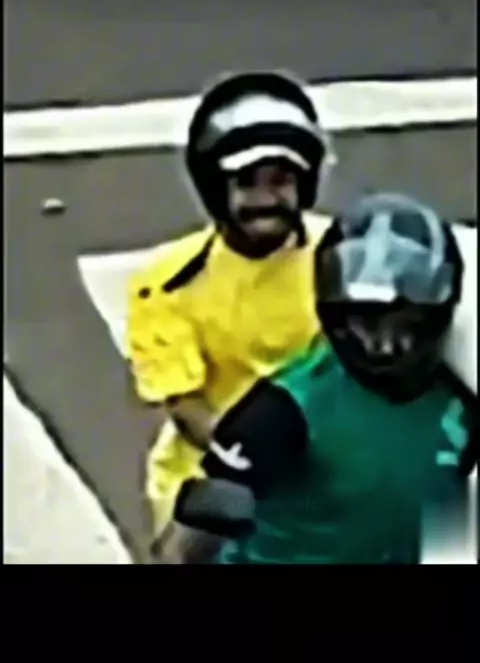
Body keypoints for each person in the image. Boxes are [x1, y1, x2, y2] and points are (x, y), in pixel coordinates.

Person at [178, 192, 477, 564]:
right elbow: (184, 548)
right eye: (367, 327)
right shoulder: (279, 412)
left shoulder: (460, 403)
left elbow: (450, 530)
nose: (385, 348)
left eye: (406, 326)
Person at [126, 70, 337, 563]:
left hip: (329, 464)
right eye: (246, 182)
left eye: (281, 180)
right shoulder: (167, 283)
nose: (265, 199)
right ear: (214, 187)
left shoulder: (344, 258)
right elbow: (187, 407)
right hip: (218, 472)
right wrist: (251, 458)